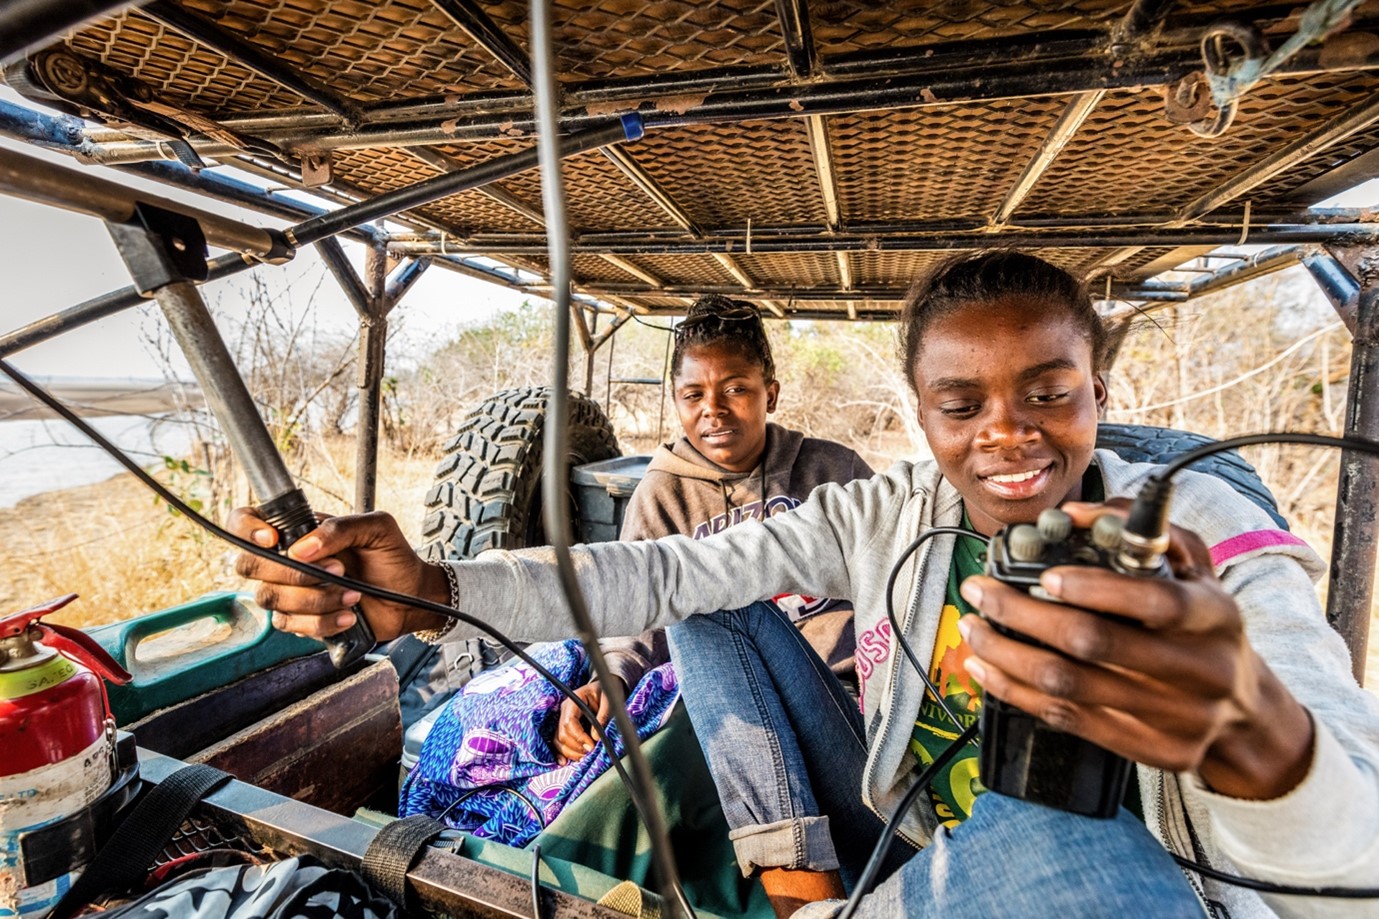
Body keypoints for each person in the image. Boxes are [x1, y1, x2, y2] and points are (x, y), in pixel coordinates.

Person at [232, 251, 1379, 918]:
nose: (1008, 435)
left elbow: (1358, 842)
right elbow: (665, 565)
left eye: (1049, 391)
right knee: (705, 601)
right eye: (961, 404)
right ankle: (793, 877)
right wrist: (437, 582)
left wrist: (1257, 738)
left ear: (1096, 390)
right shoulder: (885, 507)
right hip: (904, 820)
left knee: (1036, 839)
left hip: (1109, 874)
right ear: (919, 411)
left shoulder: (1199, 527)